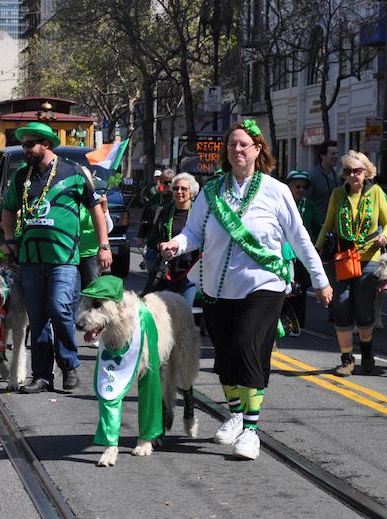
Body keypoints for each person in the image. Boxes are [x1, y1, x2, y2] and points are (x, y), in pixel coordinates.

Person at [159, 120, 332, 460]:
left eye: (244, 145)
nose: (237, 150)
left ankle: (251, 431)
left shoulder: (276, 190)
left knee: (248, 347)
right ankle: (235, 413)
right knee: (225, 358)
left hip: (264, 285)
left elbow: (299, 239)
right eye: (232, 145)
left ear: (257, 150)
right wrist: (175, 246)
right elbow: (193, 233)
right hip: (217, 289)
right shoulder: (211, 193)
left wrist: (320, 280)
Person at [0, 122, 111, 394]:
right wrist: (9, 241)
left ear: (46, 145)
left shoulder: (73, 173)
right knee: (37, 318)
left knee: (60, 309)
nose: (25, 149)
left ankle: (69, 365)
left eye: (29, 145)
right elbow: (8, 211)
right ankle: (42, 376)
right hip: (29, 260)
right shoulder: (21, 177)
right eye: (24, 144)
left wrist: (104, 245)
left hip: (64, 259)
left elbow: (96, 210)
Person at [315, 150, 387, 377]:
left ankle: (367, 353)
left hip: (369, 258)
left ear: (366, 172)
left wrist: (384, 236)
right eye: (348, 171)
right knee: (341, 305)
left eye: (357, 171)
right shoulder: (338, 194)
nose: (352, 175)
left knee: (364, 311)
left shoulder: (376, 193)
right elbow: (328, 224)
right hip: (342, 257)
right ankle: (347, 359)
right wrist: (317, 250)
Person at [143, 172, 200, 305]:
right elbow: (151, 239)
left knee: (184, 312)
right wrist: (160, 245)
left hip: (190, 272)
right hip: (166, 271)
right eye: (175, 188)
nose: (179, 192)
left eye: (183, 189)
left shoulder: (199, 213)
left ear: (192, 192)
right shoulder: (163, 211)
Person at [284, 170, 322, 329]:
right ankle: (282, 320)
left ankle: (298, 323)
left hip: (301, 255)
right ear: (289, 187)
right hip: (284, 254)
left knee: (300, 289)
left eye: (303, 187)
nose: (301, 190)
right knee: (283, 288)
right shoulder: (282, 203)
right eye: (297, 186)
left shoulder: (310, 207)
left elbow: (318, 228)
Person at [307, 140, 340, 223]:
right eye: (332, 154)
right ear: (323, 156)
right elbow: (307, 201)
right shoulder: (312, 176)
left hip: (335, 225)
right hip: (318, 225)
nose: (336, 156)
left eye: (337, 153)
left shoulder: (338, 177)